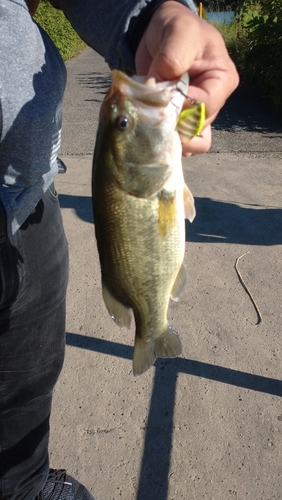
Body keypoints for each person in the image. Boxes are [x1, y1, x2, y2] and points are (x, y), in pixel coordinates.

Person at [0, 0, 239, 498]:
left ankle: (24, 483)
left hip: (29, 203)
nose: (125, 107)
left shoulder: (151, 170)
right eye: (125, 124)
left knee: (31, 374)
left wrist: (147, 16)